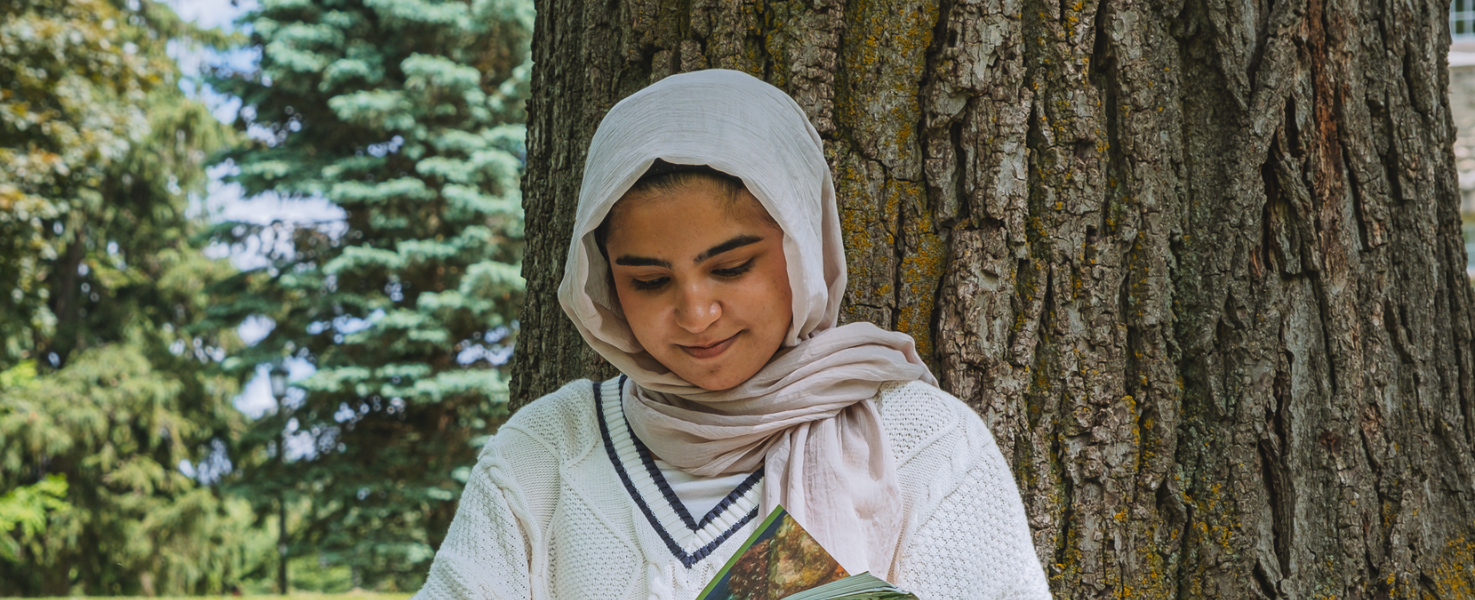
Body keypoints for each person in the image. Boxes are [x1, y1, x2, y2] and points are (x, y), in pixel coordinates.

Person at [414, 70, 1049, 600]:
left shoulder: (923, 442)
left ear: (801, 249)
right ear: (605, 285)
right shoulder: (547, 453)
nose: (696, 314)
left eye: (731, 267)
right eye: (650, 282)